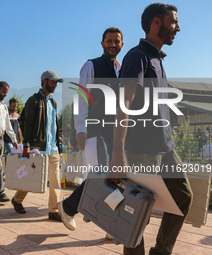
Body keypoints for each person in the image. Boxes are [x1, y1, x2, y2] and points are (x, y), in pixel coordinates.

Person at [109, 3, 192, 255]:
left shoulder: (156, 57)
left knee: (183, 196)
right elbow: (124, 104)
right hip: (142, 150)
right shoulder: (137, 56)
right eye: (173, 22)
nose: (178, 27)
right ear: (156, 23)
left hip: (165, 148)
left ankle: (160, 252)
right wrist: (117, 154)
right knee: (137, 214)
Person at [57, 27, 124, 230]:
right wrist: (81, 127)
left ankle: (107, 224)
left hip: (115, 132)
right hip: (94, 130)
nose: (113, 44)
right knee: (99, 176)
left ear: (122, 44)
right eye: (109, 41)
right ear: (102, 43)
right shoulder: (91, 65)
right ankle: (68, 207)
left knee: (116, 178)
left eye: (116, 41)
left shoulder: (121, 69)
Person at [11, 70, 63, 221]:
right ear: (44, 81)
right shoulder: (33, 100)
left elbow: (54, 126)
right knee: (30, 177)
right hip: (36, 147)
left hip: (52, 148)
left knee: (55, 181)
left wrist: (58, 147)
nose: (54, 85)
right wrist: (26, 145)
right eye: (52, 82)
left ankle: (53, 210)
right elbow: (27, 124)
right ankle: (17, 200)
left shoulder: (54, 102)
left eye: (56, 83)